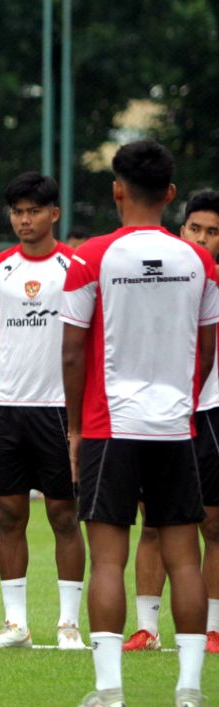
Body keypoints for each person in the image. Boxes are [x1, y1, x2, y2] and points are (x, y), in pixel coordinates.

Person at [58, 139, 215, 707]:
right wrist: (181, 401)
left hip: (109, 427)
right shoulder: (199, 260)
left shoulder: (90, 256)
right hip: (175, 427)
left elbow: (72, 352)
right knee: (185, 560)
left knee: (107, 561)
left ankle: (110, 696)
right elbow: (205, 350)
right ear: (171, 195)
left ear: (117, 190)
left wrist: (75, 429)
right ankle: (190, 696)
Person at [0, 173, 86, 650]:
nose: (24, 219)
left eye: (34, 211)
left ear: (53, 214)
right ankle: (15, 624)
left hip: (58, 409)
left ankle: (68, 625)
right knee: (9, 514)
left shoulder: (75, 267)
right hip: (9, 409)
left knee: (64, 515)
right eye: (17, 211)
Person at [125, 190, 219, 655]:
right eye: (195, 228)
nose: (203, 238)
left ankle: (213, 628)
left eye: (213, 231)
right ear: (181, 230)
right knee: (153, 524)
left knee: (213, 524)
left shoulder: (210, 280)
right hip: (160, 414)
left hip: (211, 410)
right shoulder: (162, 274)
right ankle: (146, 628)